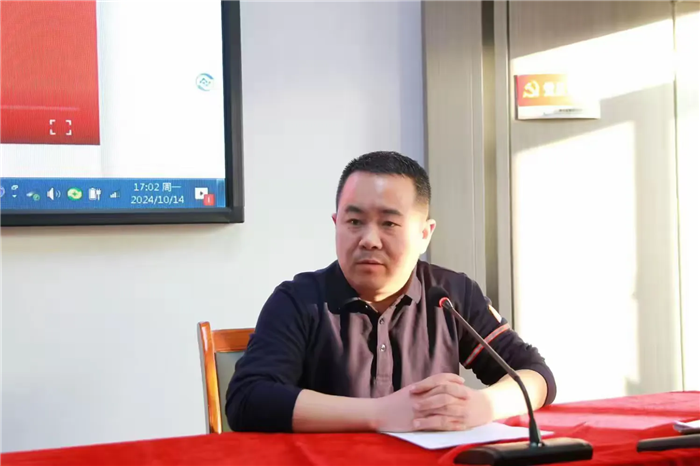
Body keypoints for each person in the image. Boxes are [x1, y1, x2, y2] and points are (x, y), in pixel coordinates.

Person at [226, 151, 555, 433]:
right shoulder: (298, 300)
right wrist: (381, 413)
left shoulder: (451, 296)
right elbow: (248, 399)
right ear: (336, 224)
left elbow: (536, 375)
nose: (369, 239)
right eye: (354, 222)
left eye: (389, 224)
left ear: (424, 234)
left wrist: (481, 406)